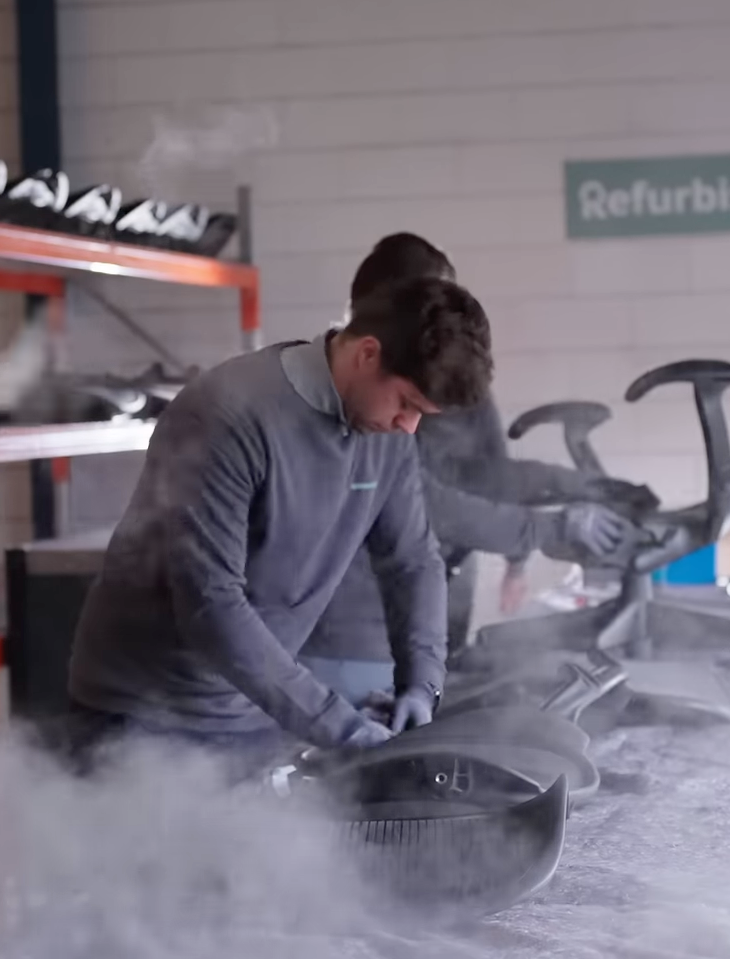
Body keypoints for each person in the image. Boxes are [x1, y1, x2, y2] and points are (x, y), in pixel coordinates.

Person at [65, 275, 495, 772]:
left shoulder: (388, 437)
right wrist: (339, 725)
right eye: (407, 404)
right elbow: (211, 604)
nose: (409, 426)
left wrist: (422, 685)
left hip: (256, 710)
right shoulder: (227, 415)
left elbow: (412, 560)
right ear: (368, 354)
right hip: (142, 717)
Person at [300, 234, 652, 707]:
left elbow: (484, 474)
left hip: (424, 612)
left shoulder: (433, 376)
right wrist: (549, 527)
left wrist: (579, 489)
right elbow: (426, 503)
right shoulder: (337, 402)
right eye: (432, 310)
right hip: (353, 636)